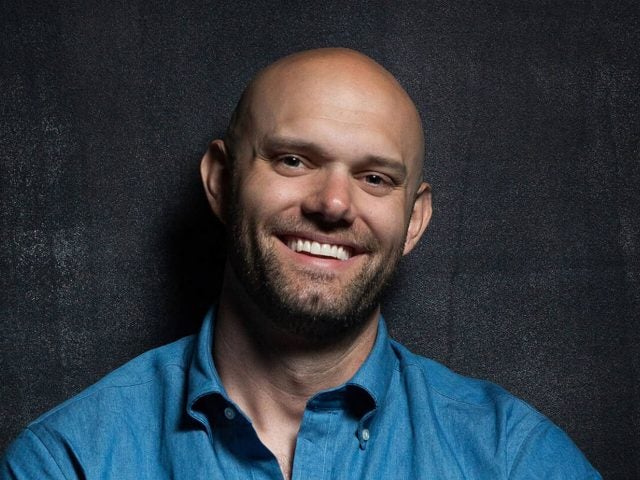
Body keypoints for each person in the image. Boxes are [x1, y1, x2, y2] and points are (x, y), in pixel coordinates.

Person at [1, 48, 600, 479]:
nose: (334, 204)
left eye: (375, 177)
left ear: (414, 220)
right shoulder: (70, 461)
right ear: (221, 181)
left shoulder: (514, 459)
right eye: (293, 160)